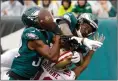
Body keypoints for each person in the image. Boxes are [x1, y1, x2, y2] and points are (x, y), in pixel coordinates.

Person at [8, 7, 61, 80]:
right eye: (40, 17)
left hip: (31, 76)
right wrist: (58, 35)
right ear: (33, 21)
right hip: (19, 75)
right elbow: (53, 57)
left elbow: (60, 42)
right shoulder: (30, 32)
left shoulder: (46, 31)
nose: (44, 19)